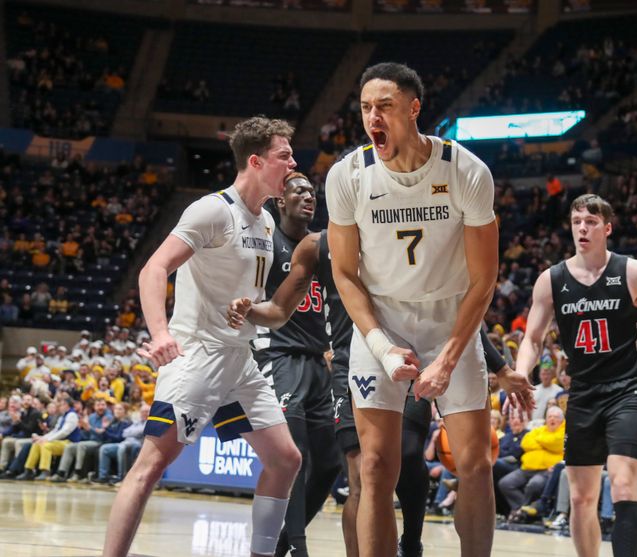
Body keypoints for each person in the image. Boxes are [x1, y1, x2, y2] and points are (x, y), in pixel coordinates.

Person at [325, 62, 533, 556]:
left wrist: (447, 359)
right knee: (375, 465)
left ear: (414, 109)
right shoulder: (347, 176)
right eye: (365, 108)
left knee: (476, 465)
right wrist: (381, 345)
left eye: (385, 107)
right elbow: (345, 275)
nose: (373, 117)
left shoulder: (465, 171)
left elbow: (484, 280)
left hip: (450, 319)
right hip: (381, 320)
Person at [229, 222, 515, 557]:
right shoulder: (316, 245)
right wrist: (248, 310)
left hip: (411, 355)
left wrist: (501, 366)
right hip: (352, 363)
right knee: (364, 475)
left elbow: (452, 307)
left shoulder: (396, 224)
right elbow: (279, 309)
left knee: (409, 456)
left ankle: (410, 542)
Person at [102, 116, 303, 557]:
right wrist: (159, 333)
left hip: (240, 359)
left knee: (285, 459)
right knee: (150, 466)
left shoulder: (267, 221)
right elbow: (154, 268)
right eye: (283, 155)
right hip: (198, 356)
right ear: (256, 160)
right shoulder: (212, 210)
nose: (293, 163)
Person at [515, 193, 637, 557]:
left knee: (622, 486)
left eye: (590, 222)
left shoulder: (633, 271)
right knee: (581, 496)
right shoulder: (551, 280)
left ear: (607, 228)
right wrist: (520, 374)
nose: (582, 229)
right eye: (576, 222)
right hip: (583, 392)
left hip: (628, 389)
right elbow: (533, 338)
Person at [250, 172, 340, 557]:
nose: (308, 195)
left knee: (330, 464)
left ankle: (285, 542)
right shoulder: (267, 243)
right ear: (279, 200)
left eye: (312, 191)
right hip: (278, 355)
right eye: (298, 190)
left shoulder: (321, 247)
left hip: (318, 360)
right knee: (295, 456)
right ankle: (299, 549)